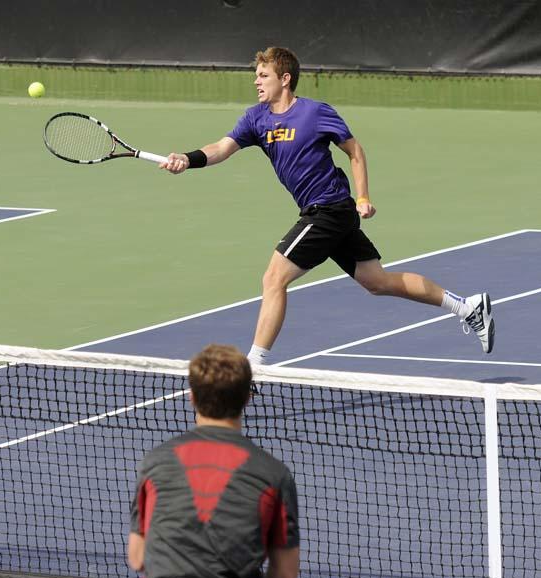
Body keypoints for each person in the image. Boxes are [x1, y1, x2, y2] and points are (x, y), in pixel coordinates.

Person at [160, 47, 495, 364]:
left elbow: (355, 152)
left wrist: (363, 197)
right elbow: (221, 147)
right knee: (377, 281)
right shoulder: (256, 119)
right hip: (329, 213)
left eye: (263, 75)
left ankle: (255, 365)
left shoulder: (315, 112)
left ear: (285, 78)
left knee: (273, 279)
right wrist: (187, 160)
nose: (256, 81)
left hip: (329, 209)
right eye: (257, 75)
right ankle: (467, 307)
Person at [128, 344, 300, 578]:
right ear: (248, 397)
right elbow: (285, 574)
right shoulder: (274, 474)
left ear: (192, 397)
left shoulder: (155, 464)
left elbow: (137, 558)